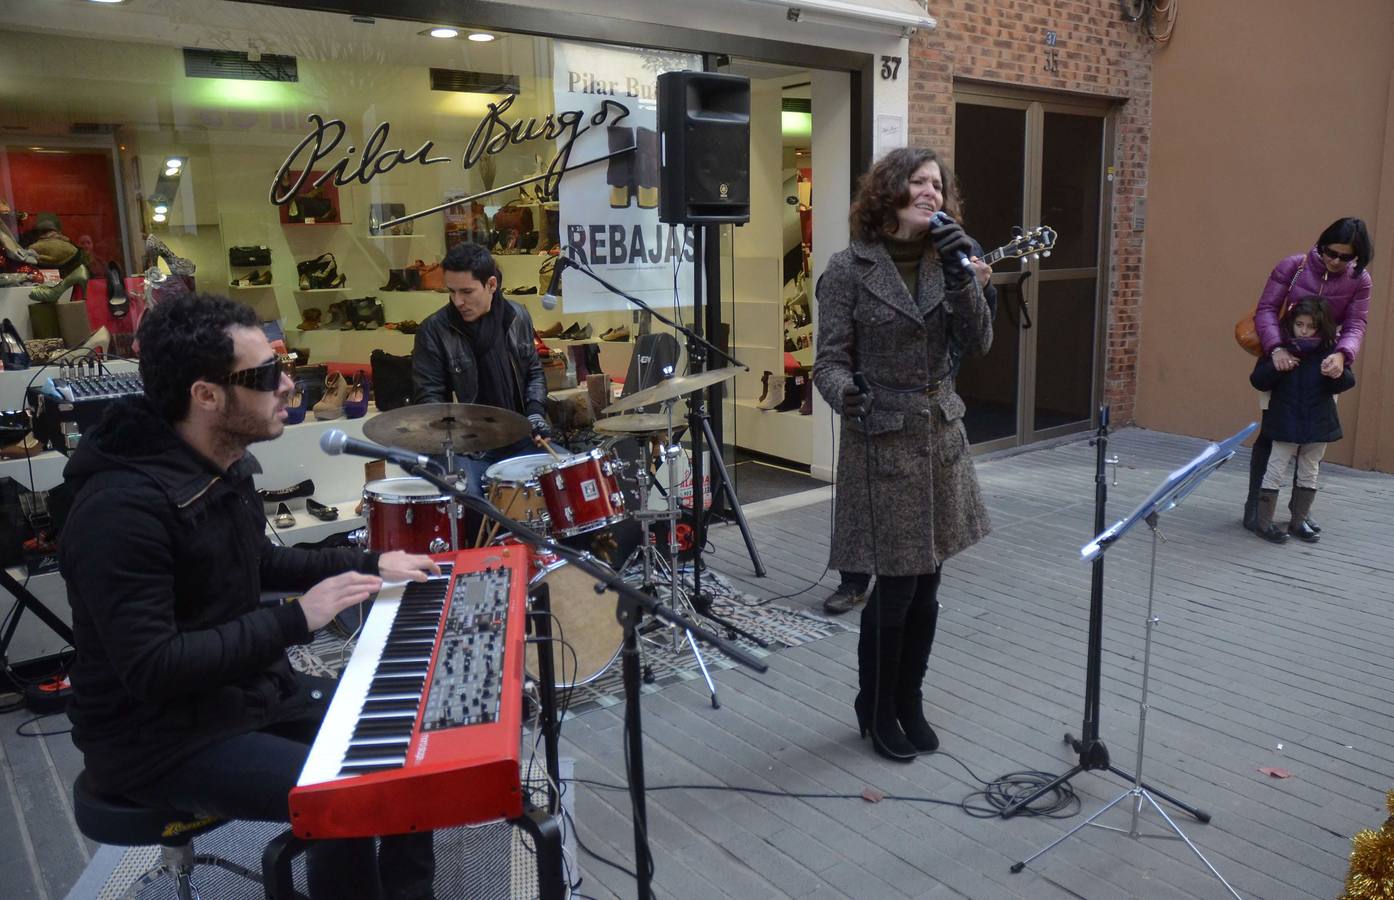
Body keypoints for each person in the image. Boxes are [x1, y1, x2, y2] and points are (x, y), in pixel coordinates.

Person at [59, 293, 441, 899]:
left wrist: (373, 561)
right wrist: (297, 619)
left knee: (403, 751)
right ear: (206, 394)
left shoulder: (217, 460)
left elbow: (259, 561)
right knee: (342, 796)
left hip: (237, 697)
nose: (288, 385)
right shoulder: (120, 511)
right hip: (155, 739)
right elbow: (153, 668)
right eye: (265, 376)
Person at [812, 146, 993, 761]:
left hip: (939, 436)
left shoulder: (952, 263)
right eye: (917, 182)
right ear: (887, 194)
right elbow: (829, 363)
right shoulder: (847, 269)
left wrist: (966, 276)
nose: (930, 193)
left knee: (929, 582)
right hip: (882, 440)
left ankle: (910, 699)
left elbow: (979, 341)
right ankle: (877, 705)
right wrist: (849, 395)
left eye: (937, 185)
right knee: (894, 588)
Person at [1243, 217, 1373, 533]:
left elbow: (1356, 324)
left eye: (1346, 257)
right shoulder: (1293, 266)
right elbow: (1266, 310)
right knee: (1273, 434)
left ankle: (1298, 514)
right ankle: (1255, 510)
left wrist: (1343, 355)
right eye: (1331, 252)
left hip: (1323, 368)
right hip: (1283, 362)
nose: (1336, 261)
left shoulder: (1359, 280)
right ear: (1321, 244)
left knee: (1312, 440)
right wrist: (1276, 349)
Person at [411, 241, 551, 495]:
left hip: (519, 437)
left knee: (568, 480)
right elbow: (429, 399)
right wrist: (456, 438)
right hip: (469, 449)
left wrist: (535, 413)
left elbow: (533, 372)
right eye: (452, 292)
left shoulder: (517, 316)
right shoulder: (434, 330)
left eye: (467, 292)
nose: (458, 301)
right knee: (470, 499)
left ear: (491, 285)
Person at [1248, 296, 1355, 543]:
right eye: (1300, 325)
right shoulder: (1280, 349)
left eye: (1310, 326)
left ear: (1321, 327)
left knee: (1310, 471)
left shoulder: (1329, 351)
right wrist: (1278, 366)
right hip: (1285, 420)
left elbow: (1348, 381)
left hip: (1318, 421)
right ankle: (1264, 523)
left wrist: (1335, 371)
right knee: (1275, 469)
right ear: (1292, 324)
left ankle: (1299, 520)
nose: (1304, 331)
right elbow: (1258, 380)